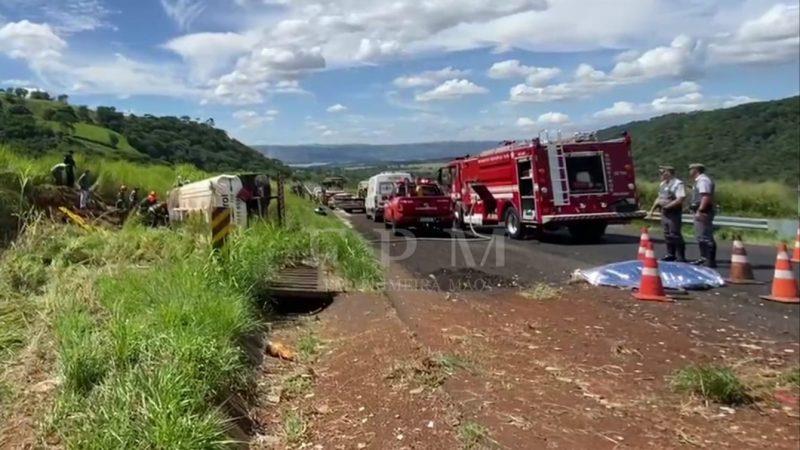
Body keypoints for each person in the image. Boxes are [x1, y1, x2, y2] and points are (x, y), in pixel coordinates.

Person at [648, 166, 687, 262]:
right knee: (667, 234)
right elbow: (659, 198)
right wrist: (652, 210)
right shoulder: (662, 184)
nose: (661, 175)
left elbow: (680, 198)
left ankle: (681, 256)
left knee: (675, 233)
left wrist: (668, 206)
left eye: (662, 172)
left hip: (673, 212)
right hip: (664, 212)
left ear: (668, 173)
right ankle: (670, 254)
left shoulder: (678, 183)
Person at [689, 163, 717, 268]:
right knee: (701, 236)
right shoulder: (699, 181)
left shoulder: (703, 181)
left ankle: (709, 260)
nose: (689, 171)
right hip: (701, 211)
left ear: (696, 170)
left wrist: (700, 210)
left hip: (704, 211)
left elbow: (705, 197)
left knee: (705, 235)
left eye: (691, 169)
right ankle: (703, 258)